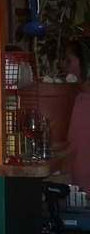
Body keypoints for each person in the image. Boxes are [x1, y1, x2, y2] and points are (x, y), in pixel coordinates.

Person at [62, 39, 90, 191]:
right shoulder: (78, 97)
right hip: (76, 188)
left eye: (68, 60)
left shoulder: (83, 101)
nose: (64, 66)